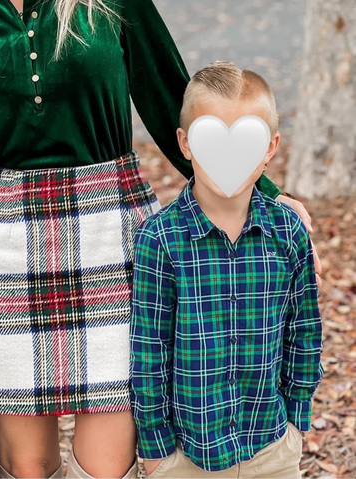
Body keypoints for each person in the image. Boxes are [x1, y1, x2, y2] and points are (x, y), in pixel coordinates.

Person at [0, 0, 318, 477]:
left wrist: (265, 192)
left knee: (108, 463)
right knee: (26, 467)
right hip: (1, 242)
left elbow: (166, 91)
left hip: (111, 225)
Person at [130, 62, 324, 479]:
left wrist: (297, 422)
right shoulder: (160, 239)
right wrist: (156, 448)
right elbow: (149, 351)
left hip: (271, 445)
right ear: (185, 143)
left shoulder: (287, 233)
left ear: (269, 147)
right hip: (186, 455)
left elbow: (304, 330)